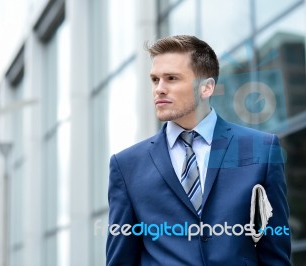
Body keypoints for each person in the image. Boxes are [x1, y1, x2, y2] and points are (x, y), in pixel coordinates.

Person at [106, 35, 291, 265]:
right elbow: (120, 259)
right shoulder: (126, 166)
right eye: (155, 80)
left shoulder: (261, 150)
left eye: (171, 78)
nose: (159, 89)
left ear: (206, 88)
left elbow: (275, 252)